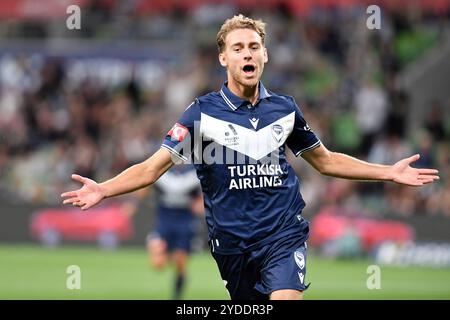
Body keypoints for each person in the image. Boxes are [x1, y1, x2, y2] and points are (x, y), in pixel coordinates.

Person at [61, 14, 440, 300]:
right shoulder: (200, 114)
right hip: (231, 244)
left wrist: (388, 172)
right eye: (238, 48)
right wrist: (104, 190)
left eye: (254, 46)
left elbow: (326, 161)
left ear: (265, 55)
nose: (248, 53)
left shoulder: (286, 109)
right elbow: (152, 168)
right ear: (223, 58)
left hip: (282, 234)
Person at [125, 164, 203, 300]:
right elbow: (145, 185)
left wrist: (201, 208)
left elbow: (201, 196)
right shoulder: (162, 170)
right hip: (164, 221)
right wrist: (133, 202)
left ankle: (176, 296)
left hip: (184, 223)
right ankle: (167, 253)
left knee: (180, 264)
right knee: (158, 265)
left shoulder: (194, 173)